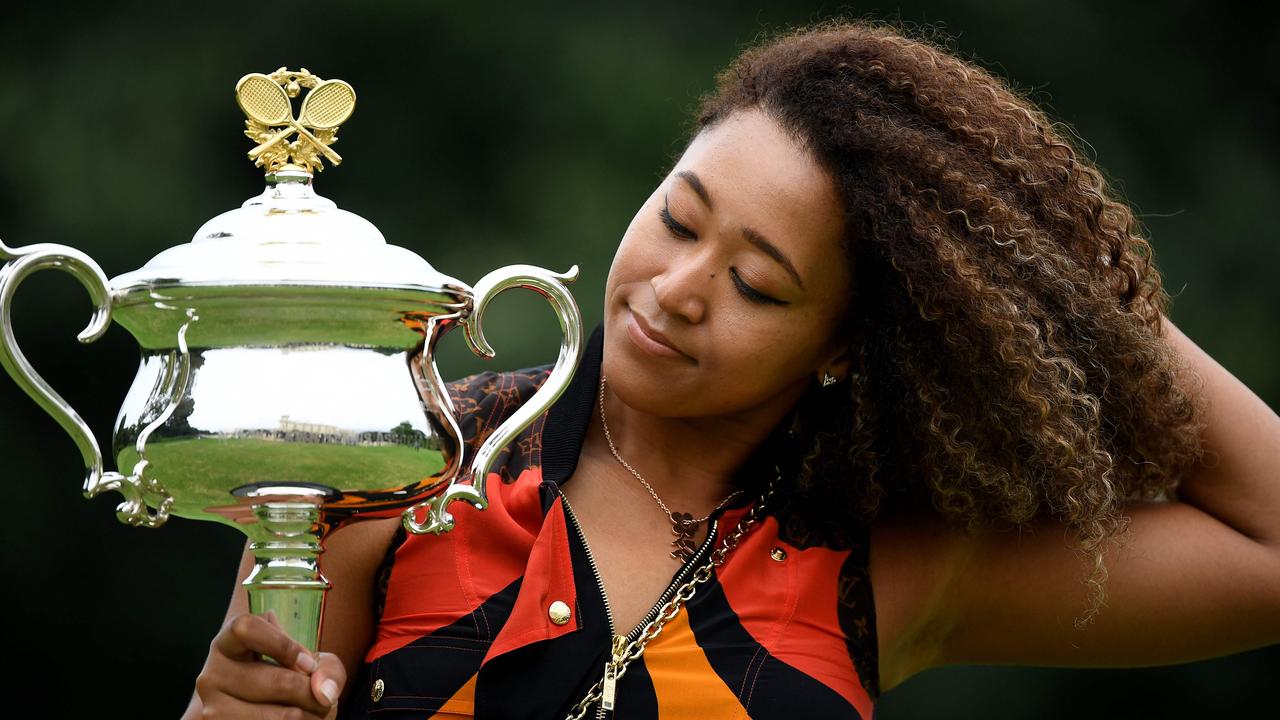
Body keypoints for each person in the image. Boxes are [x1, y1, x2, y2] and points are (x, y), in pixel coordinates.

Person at [183, 17, 1280, 720]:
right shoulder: (403, 462)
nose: (674, 288)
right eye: (676, 218)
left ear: (844, 345)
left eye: (757, 285)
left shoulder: (880, 574)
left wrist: (1042, 260)